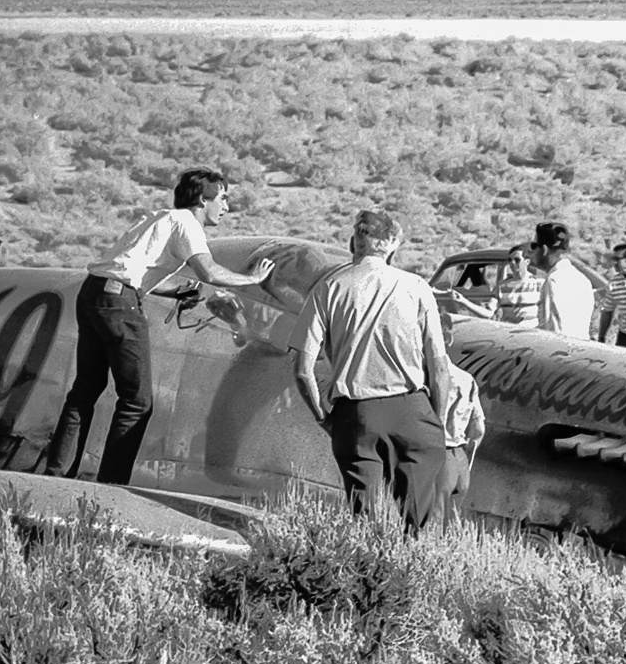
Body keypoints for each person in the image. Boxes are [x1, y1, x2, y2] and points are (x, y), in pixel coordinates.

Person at [43, 168, 274, 484]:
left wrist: (176, 290)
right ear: (202, 199)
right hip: (119, 304)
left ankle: (55, 476)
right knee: (137, 402)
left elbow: (125, 269)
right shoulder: (187, 223)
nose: (227, 207)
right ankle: (112, 485)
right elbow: (208, 271)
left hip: (94, 293)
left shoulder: (159, 217)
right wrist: (251, 279)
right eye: (223, 198)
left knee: (85, 391)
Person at [290, 210, 452, 528]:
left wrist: (324, 417)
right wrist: (436, 420)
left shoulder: (328, 289)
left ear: (354, 242)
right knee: (417, 520)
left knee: (366, 520)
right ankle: (413, 565)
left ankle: (371, 569)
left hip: (356, 412)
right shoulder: (416, 287)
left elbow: (302, 369)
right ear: (392, 245)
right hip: (412, 408)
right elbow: (439, 365)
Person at [434, 357, 486, 525]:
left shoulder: (428, 376)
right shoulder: (467, 379)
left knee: (432, 522)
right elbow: (478, 429)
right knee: (449, 522)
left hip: (441, 456)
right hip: (460, 460)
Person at [446, 243, 542, 326]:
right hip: (509, 335)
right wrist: (463, 301)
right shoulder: (503, 286)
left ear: (527, 261)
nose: (512, 263)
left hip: (532, 336)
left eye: (517, 260)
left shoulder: (538, 284)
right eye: (510, 260)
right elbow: (490, 313)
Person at [532, 222, 594, 339]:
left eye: (535, 247)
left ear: (544, 249)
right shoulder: (582, 279)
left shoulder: (554, 281)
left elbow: (553, 331)